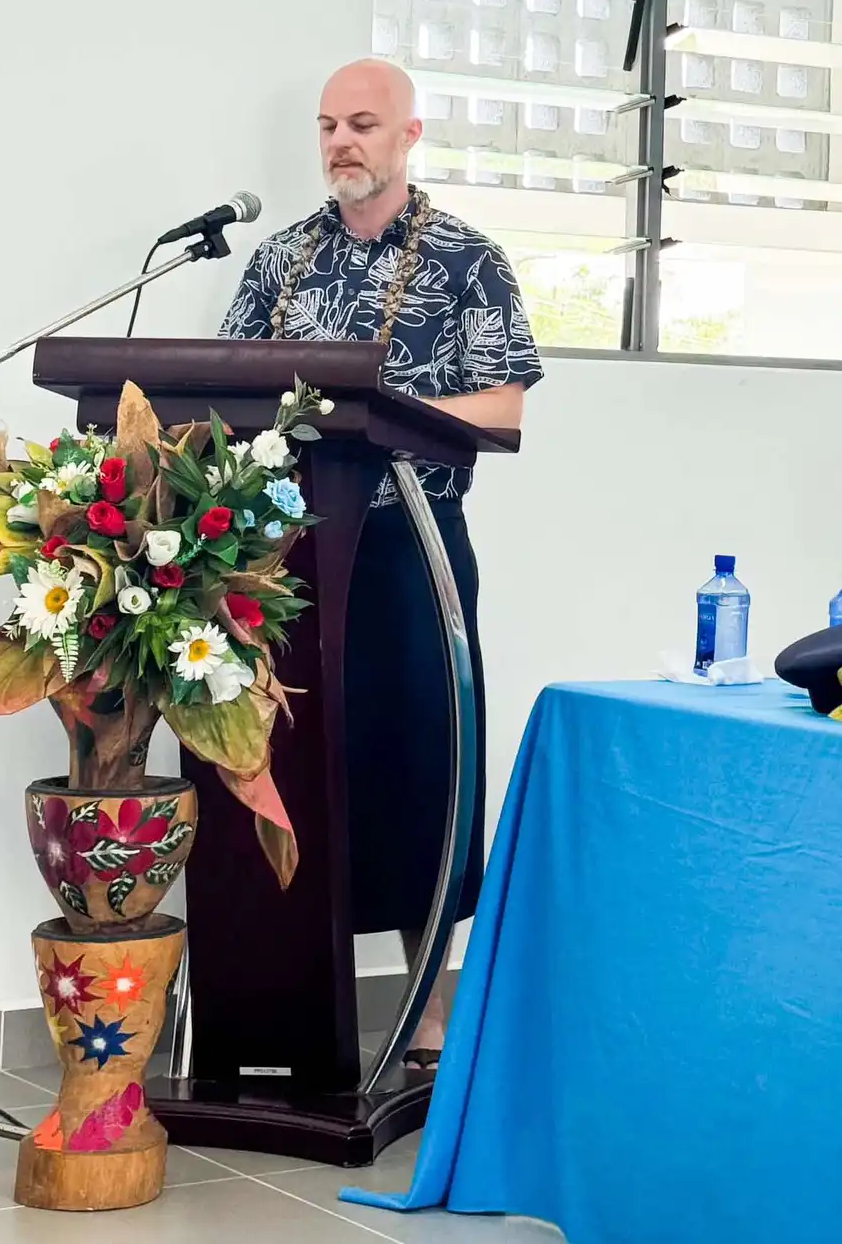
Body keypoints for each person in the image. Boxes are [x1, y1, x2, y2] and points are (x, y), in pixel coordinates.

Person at [221, 58, 543, 1069]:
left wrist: (385, 416)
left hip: (412, 549)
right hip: (282, 551)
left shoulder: (467, 259)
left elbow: (504, 406)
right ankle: (278, 1002)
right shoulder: (280, 260)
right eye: (328, 125)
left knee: (419, 770)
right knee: (288, 764)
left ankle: (429, 1009)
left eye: (362, 123)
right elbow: (224, 388)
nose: (340, 142)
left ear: (409, 136)